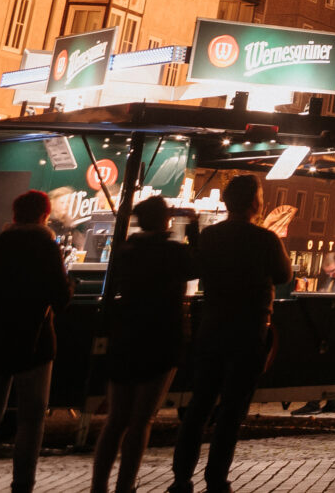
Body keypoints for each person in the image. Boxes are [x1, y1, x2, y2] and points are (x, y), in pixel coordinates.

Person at [172, 176, 293, 493]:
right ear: (255, 202)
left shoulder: (212, 236)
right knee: (231, 411)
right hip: (249, 331)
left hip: (212, 328)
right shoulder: (265, 239)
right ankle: (216, 479)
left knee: (199, 406)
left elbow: (195, 266)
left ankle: (181, 477)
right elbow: (283, 274)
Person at [0, 189, 69, 493]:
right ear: (44, 215)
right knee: (31, 420)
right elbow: (60, 298)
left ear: (14, 215)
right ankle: (22, 484)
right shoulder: (48, 249)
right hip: (34, 344)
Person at [95, 194, 198, 493]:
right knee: (141, 421)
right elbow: (198, 266)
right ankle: (125, 486)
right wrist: (193, 229)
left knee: (116, 420)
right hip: (161, 339)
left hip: (126, 338)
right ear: (165, 220)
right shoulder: (173, 252)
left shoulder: (126, 250)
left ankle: (98, 485)